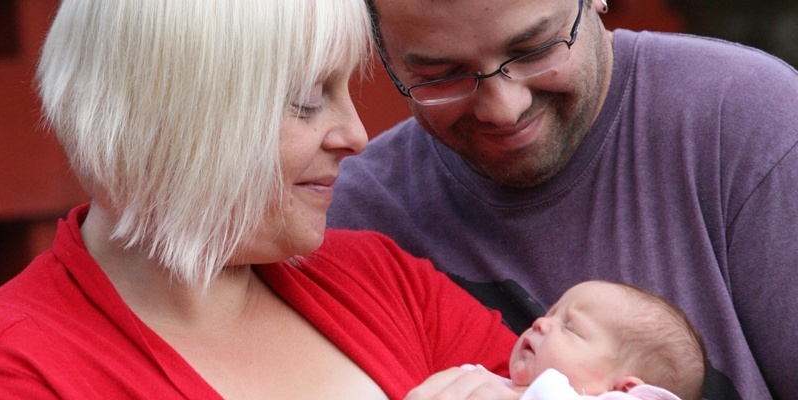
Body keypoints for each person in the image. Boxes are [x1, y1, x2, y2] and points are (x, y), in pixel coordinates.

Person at [0, 1, 519, 398]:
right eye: (308, 100)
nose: (356, 134)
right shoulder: (25, 364)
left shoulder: (382, 279)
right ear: (169, 115)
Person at [327, 0, 798, 398]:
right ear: (384, 56)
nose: (503, 109)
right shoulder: (340, 222)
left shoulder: (751, 126)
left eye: (535, 49)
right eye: (440, 75)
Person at [410, 280, 706, 400]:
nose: (540, 323)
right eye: (551, 313)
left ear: (624, 389)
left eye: (571, 328)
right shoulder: (489, 381)